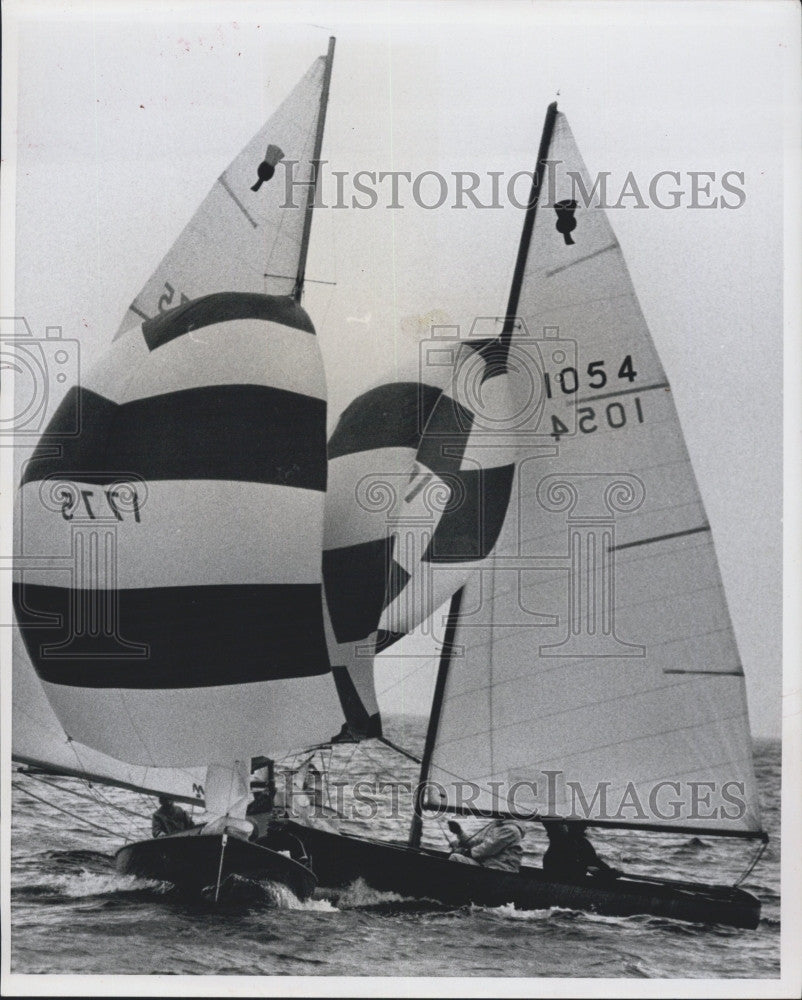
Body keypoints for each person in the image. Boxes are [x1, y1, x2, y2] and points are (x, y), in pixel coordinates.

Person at [541, 819, 621, 881]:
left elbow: (594, 860)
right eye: (580, 826)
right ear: (569, 825)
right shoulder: (559, 838)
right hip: (556, 876)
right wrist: (585, 868)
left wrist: (609, 872)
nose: (584, 828)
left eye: (583, 826)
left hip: (573, 878)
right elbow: (548, 821)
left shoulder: (582, 843)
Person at [446, 818, 526, 872]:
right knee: (456, 857)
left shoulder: (510, 829)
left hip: (500, 869)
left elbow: (488, 849)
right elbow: (476, 842)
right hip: (487, 865)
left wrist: (464, 851)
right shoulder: (496, 826)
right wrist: (459, 832)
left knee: (455, 858)